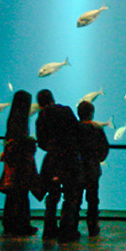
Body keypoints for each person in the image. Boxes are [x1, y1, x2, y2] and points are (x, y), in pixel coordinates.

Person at [35, 89, 83, 242]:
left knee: (52, 195)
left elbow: (41, 142)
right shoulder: (66, 110)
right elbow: (77, 130)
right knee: (70, 194)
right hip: (69, 158)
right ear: (52, 99)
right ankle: (66, 230)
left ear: (40, 103)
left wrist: (52, 148)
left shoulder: (41, 117)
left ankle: (49, 230)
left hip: (53, 159)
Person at [0, 90, 43, 235]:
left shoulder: (12, 119)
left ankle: (9, 223)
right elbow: (20, 142)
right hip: (20, 164)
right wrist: (30, 143)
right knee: (21, 194)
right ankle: (21, 225)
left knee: (13, 194)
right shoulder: (20, 121)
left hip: (13, 163)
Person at [77, 100, 110, 237]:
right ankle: (93, 228)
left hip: (77, 169)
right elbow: (105, 147)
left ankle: (71, 227)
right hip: (92, 169)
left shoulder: (74, 129)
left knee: (75, 198)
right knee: (92, 199)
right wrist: (99, 159)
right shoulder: (97, 129)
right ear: (92, 113)